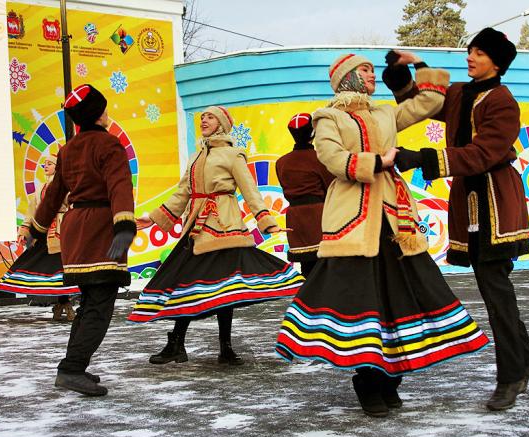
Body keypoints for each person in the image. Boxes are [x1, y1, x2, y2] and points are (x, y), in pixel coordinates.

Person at [275, 53, 490, 418]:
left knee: (403, 297)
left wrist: (419, 64)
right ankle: (366, 379)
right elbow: (330, 157)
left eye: (372, 70)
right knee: (361, 302)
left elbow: (429, 101)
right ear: (346, 78)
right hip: (353, 220)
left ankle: (391, 378)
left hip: (395, 218)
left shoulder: (384, 113)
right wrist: (376, 162)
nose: (372, 75)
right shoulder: (329, 117)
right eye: (365, 70)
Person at [383, 28, 529, 411]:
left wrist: (421, 158)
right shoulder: (458, 92)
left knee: (495, 291)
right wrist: (403, 76)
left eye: (479, 53)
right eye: (470, 50)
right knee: (493, 288)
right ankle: (528, 357)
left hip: (495, 200)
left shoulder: (503, 101)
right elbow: (423, 103)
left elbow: (484, 152)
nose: (470, 56)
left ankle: (512, 376)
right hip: (469, 198)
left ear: (497, 62)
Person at [129, 105, 303, 365]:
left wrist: (266, 221)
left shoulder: (233, 155)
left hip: (224, 226)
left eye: (210, 117)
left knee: (226, 287)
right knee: (187, 282)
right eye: (202, 117)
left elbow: (250, 190)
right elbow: (182, 193)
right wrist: (154, 218)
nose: (204, 120)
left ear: (221, 123)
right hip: (197, 228)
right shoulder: (196, 157)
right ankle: (178, 343)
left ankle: (225, 347)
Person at [23, 84, 136, 397]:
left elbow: (54, 195)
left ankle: (74, 366)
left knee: (89, 304)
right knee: (99, 306)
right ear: (98, 113)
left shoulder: (68, 149)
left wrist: (36, 229)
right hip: (100, 228)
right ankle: (71, 369)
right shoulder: (109, 145)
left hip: (74, 230)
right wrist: (124, 224)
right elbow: (119, 186)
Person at [0, 153, 78, 321]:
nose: (46, 166)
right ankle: (63, 302)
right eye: (44, 164)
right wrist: (25, 231)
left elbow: (74, 204)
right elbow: (33, 210)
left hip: (62, 231)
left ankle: (65, 302)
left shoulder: (67, 184)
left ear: (58, 166)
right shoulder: (41, 187)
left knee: (62, 267)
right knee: (48, 266)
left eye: (50, 164)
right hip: (45, 231)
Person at [275, 113, 335, 277]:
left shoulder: (281, 163)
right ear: (313, 133)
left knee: (306, 266)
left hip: (295, 218)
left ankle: (307, 299)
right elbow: (332, 187)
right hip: (318, 215)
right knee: (325, 264)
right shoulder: (320, 158)